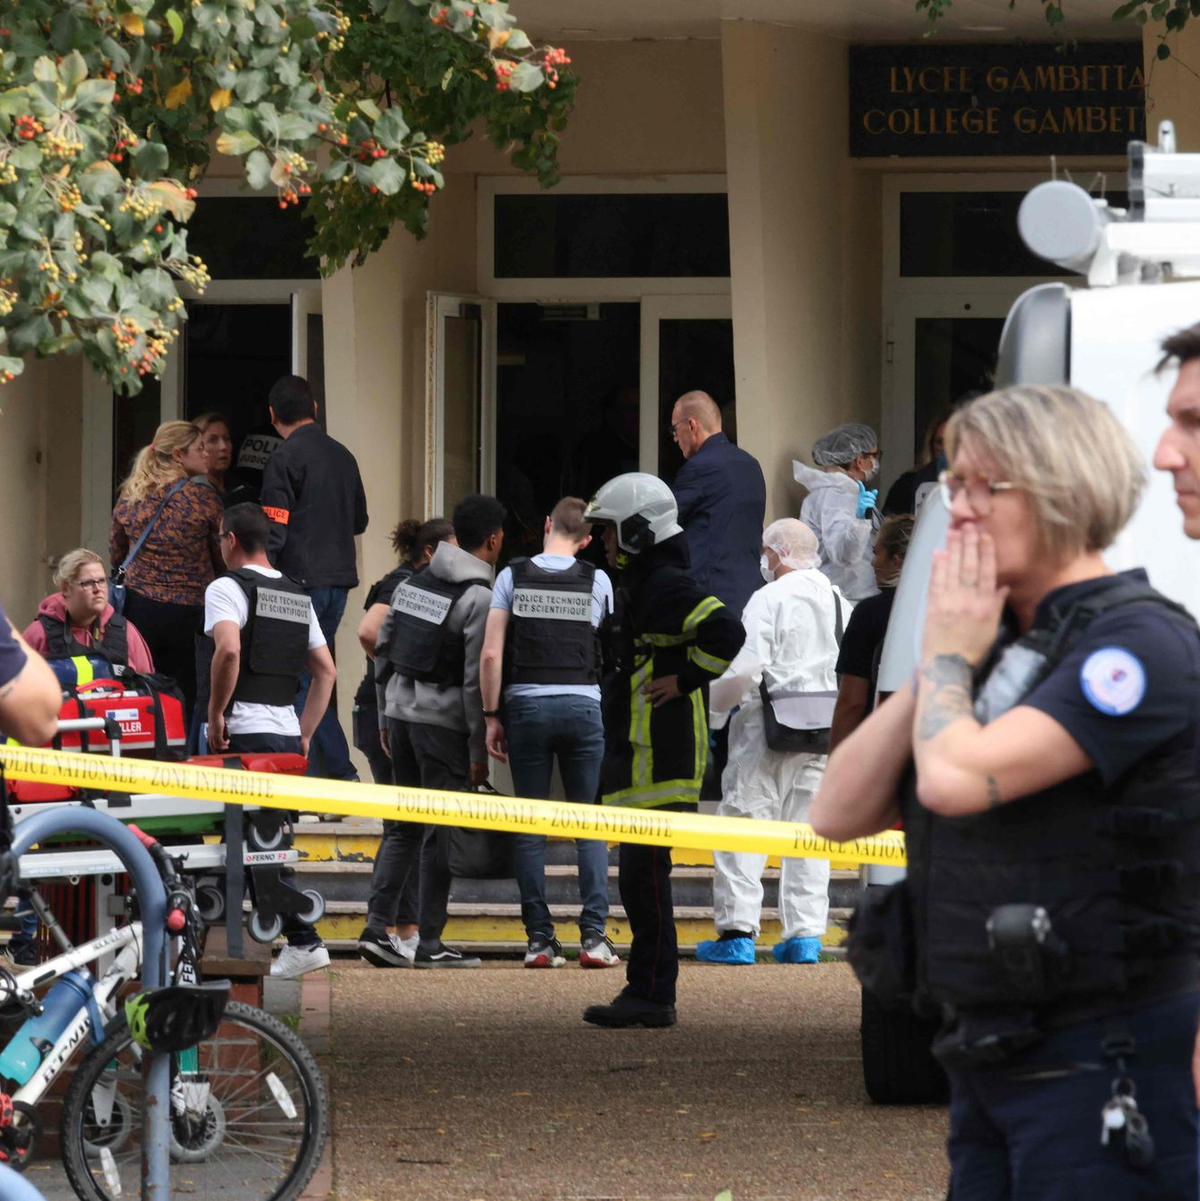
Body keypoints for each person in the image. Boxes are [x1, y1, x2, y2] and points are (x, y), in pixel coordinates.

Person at [812, 384, 1200, 1199]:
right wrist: (938, 666)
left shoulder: (1135, 644)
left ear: (1062, 490)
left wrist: (952, 659)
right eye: (954, 484)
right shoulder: (992, 646)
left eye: (985, 486)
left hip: (1105, 1062)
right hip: (991, 1058)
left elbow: (956, 778)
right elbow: (836, 810)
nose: (957, 509)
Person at [580, 474, 745, 1028]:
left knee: (646, 881)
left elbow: (727, 630)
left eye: (609, 531)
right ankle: (648, 990)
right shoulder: (646, 582)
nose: (603, 542)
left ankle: (652, 994)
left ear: (636, 530)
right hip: (641, 756)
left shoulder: (665, 584)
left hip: (660, 758)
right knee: (639, 881)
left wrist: (686, 679)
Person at [697, 518, 848, 967]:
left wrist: (715, 715)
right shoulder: (840, 601)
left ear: (779, 552)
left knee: (744, 822)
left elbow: (745, 668)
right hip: (823, 729)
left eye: (765, 551)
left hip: (766, 728)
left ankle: (737, 933)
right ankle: (805, 937)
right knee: (808, 832)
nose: (762, 560)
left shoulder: (769, 598)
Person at [479, 496, 619, 970]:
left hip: (527, 707)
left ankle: (539, 940)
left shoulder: (511, 576)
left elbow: (491, 654)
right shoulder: (598, 580)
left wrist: (491, 715)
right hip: (583, 706)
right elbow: (610, 648)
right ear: (587, 540)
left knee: (530, 824)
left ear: (545, 524)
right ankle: (594, 938)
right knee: (588, 823)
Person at [202, 502, 337, 980]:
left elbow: (229, 650)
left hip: (244, 733)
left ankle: (302, 939)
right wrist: (305, 732)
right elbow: (326, 671)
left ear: (231, 540)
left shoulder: (226, 587)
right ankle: (226, 943)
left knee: (250, 843)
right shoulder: (298, 595)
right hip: (283, 734)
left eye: (220, 538)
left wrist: (216, 713)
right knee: (260, 842)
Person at [373, 494, 505, 969]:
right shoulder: (479, 598)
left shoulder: (413, 583)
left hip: (400, 719)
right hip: (441, 728)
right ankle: (429, 942)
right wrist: (477, 749)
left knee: (404, 829)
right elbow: (473, 682)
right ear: (494, 540)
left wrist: (384, 717)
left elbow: (384, 651)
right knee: (439, 835)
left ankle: (374, 929)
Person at [354, 516, 455, 968]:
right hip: (388, 713)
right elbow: (369, 633)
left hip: (389, 710)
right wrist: (402, 672)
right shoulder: (402, 584)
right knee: (404, 827)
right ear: (430, 552)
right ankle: (388, 929)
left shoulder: (412, 583)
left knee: (407, 826)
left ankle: (401, 931)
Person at [259, 375, 368, 783]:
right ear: (315, 409)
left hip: (297, 584)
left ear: (272, 415)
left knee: (299, 679)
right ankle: (328, 775)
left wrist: (261, 577)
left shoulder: (283, 459)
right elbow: (360, 521)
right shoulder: (343, 456)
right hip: (338, 583)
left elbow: (274, 529)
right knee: (315, 675)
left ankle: (336, 772)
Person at [109, 420, 223, 717]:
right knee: (187, 693)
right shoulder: (202, 498)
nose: (206, 454)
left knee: (142, 688)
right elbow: (222, 555)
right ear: (178, 455)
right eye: (200, 448)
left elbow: (116, 553)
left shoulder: (131, 495)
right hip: (190, 613)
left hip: (139, 609)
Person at [669, 390, 767, 620]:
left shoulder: (699, 467)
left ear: (691, 425)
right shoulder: (750, 464)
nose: (674, 438)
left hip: (710, 595)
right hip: (751, 593)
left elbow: (666, 523)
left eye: (675, 429)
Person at [829, 514, 915, 749]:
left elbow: (852, 703)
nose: (872, 562)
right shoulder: (951, 610)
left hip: (881, 752)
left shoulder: (870, 614)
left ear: (897, 561)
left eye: (877, 553)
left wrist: (835, 761)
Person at [24, 549, 156, 685]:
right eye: (87, 583)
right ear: (65, 588)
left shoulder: (126, 632)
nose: (98, 589)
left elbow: (149, 685)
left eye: (102, 581)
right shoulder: (39, 634)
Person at [793, 422, 881, 602]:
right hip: (846, 600)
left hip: (853, 596)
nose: (875, 462)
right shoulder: (834, 497)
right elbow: (845, 555)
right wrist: (860, 521)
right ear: (859, 460)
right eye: (874, 456)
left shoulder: (846, 493)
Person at [882, 406, 952, 517]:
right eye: (940, 443)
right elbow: (890, 525)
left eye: (954, 442)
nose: (946, 450)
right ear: (931, 445)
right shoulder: (907, 485)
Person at [194, 411, 257, 506]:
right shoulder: (192, 494)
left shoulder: (242, 489)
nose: (223, 447)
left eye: (226, 438)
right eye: (213, 440)